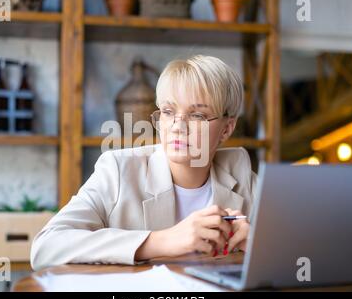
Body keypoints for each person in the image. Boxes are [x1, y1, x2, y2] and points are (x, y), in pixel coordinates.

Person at [31, 55, 257, 270]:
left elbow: (291, 254)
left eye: (197, 115)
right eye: (168, 112)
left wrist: (257, 243)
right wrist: (161, 241)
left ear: (227, 128)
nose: (178, 127)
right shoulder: (118, 170)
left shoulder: (241, 172)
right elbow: (45, 247)